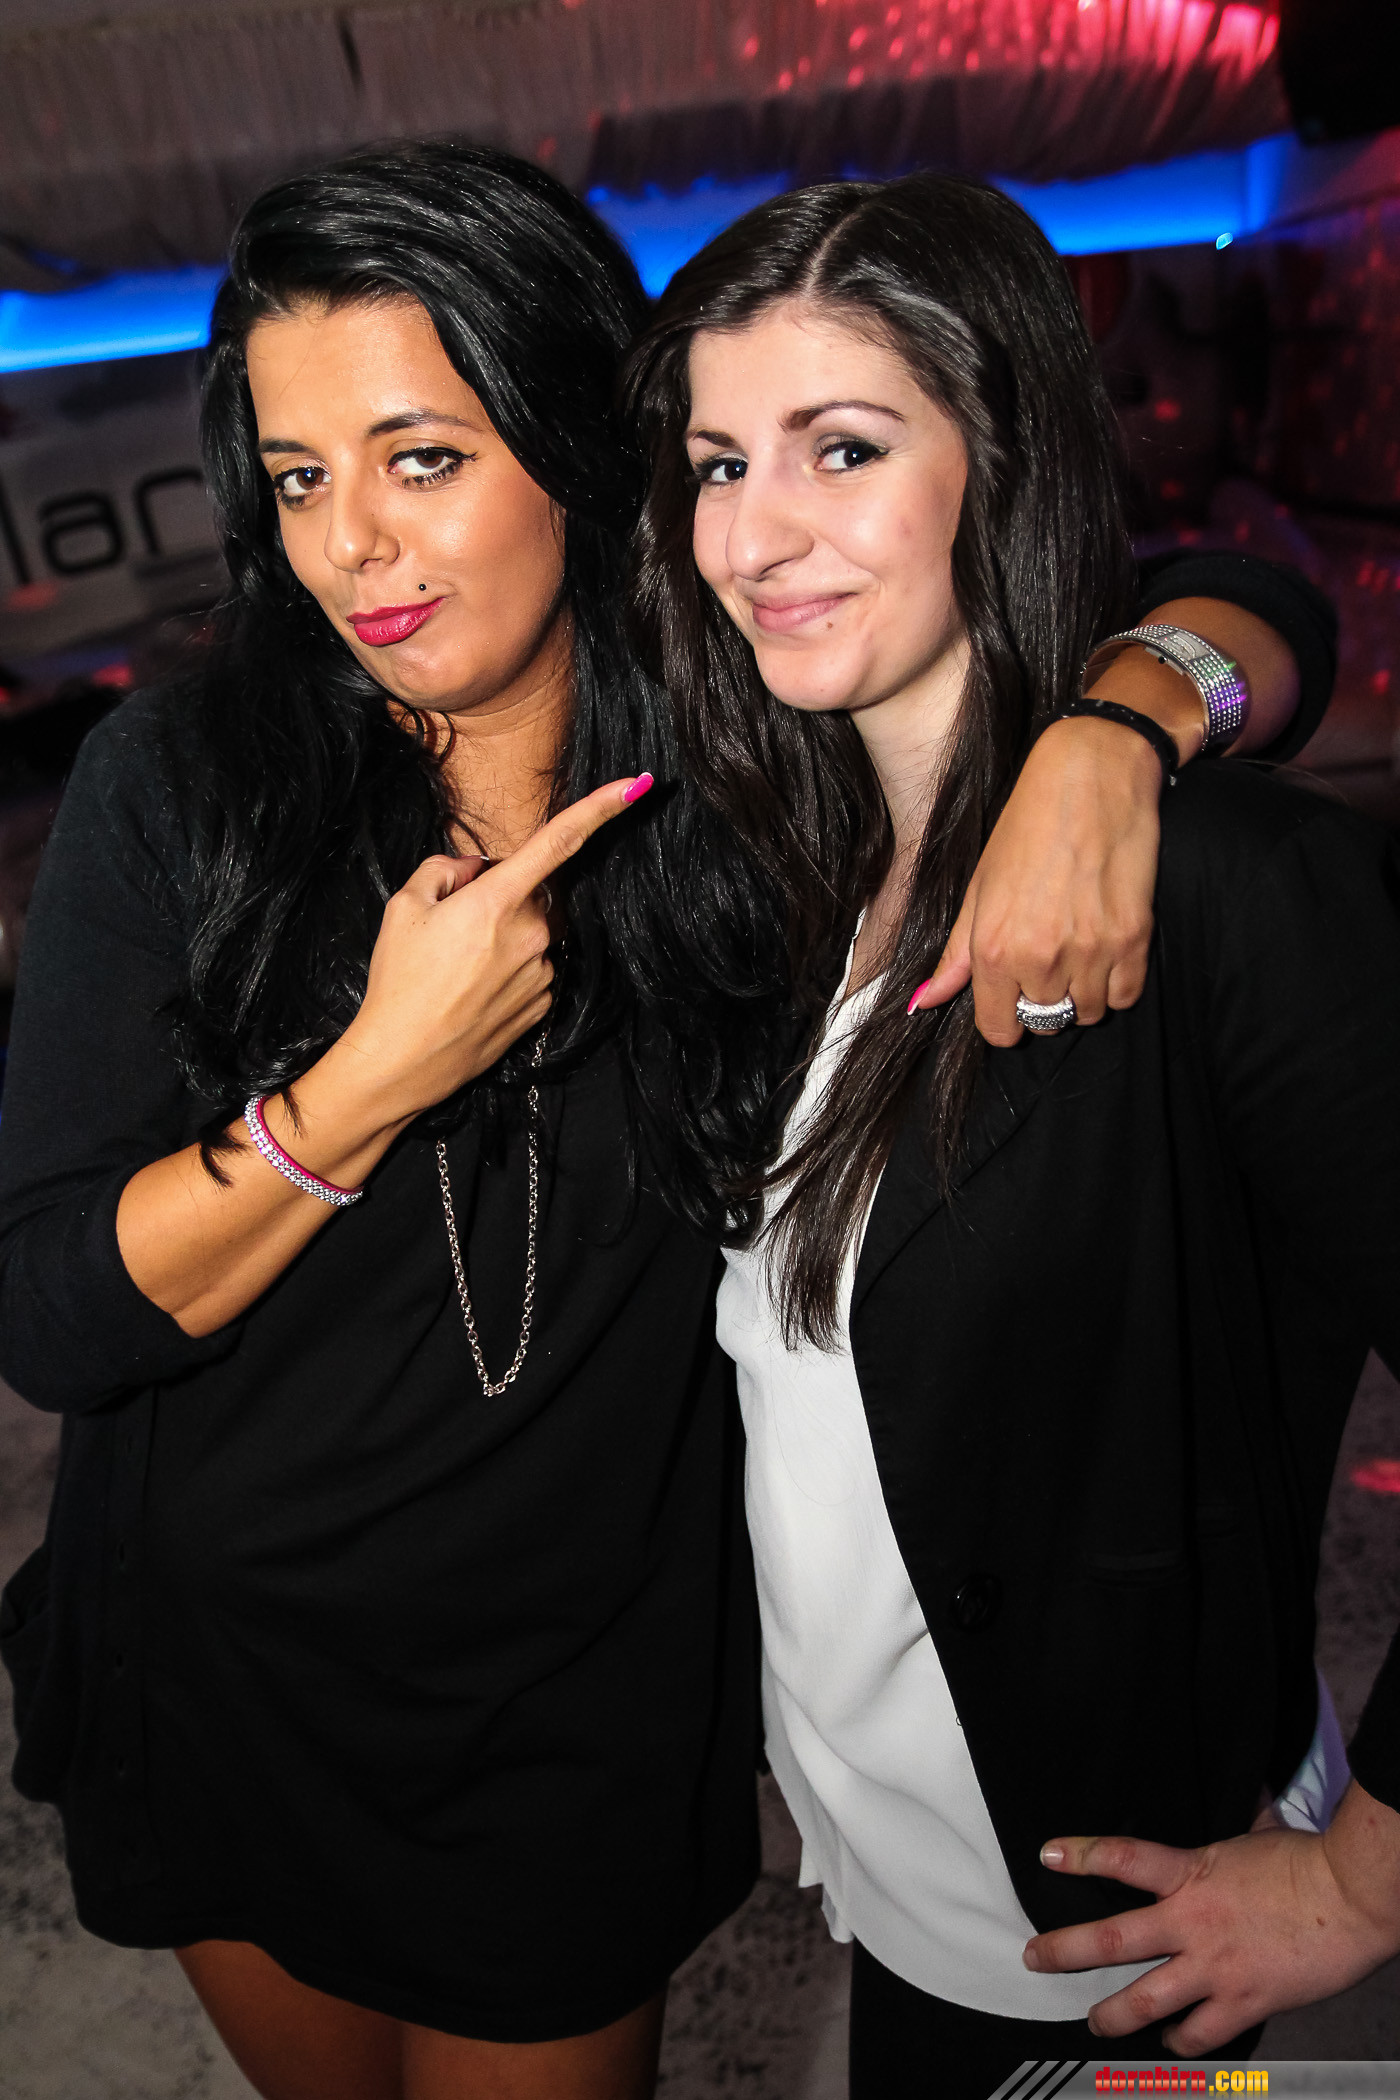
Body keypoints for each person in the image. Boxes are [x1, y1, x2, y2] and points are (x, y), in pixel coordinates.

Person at [0, 141, 1333, 2100]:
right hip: (227, 1677)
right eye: (296, 477)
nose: (353, 545)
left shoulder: (757, 764)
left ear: (574, 442)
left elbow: (1256, 604)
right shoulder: (191, 783)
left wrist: (1116, 726)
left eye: (422, 459)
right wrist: (366, 1083)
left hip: (576, 1704)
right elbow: (50, 1314)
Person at [622, 170, 1400, 2098]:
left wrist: (1366, 1879)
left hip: (1096, 1940)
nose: (754, 533)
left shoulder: (1209, 885)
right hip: (885, 1872)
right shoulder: (784, 870)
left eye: (842, 447)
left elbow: (1266, 615)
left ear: (1006, 456)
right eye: (719, 464)